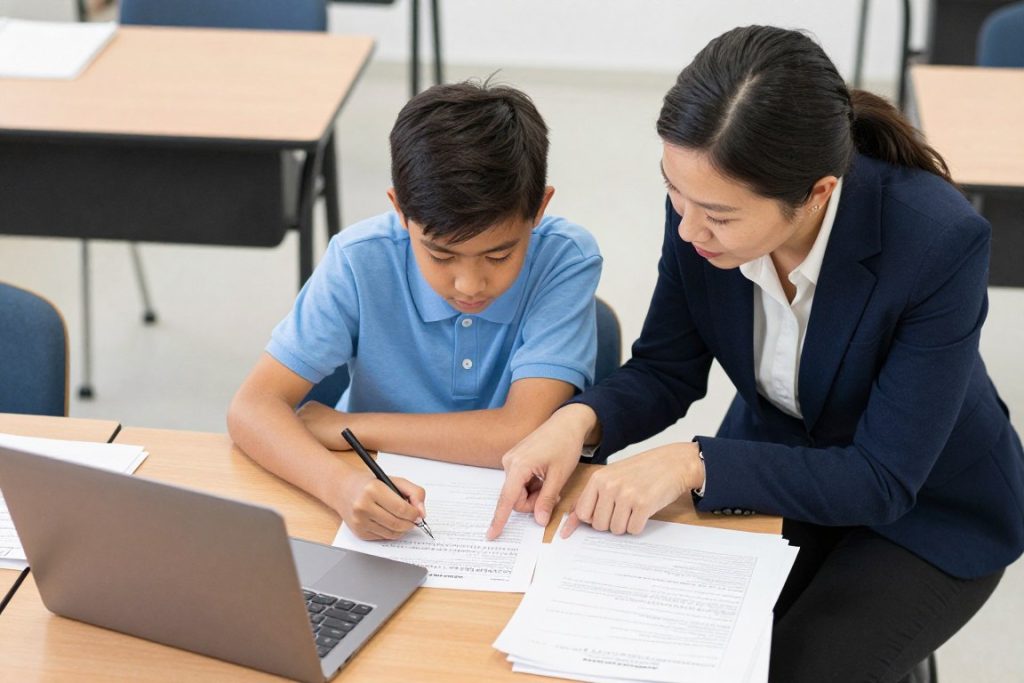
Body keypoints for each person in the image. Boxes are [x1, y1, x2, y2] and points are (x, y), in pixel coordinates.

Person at [486, 25, 1024, 683]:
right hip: (780, 457)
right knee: (682, 644)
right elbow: (666, 366)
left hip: (925, 507)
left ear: (817, 194)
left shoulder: (939, 241)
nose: (687, 229)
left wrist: (692, 459)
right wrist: (575, 423)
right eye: (674, 194)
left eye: (716, 215)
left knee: (798, 667)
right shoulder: (702, 201)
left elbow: (883, 478)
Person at [229, 81, 602, 542]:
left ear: (539, 208)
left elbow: (519, 433)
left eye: (499, 256)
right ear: (400, 211)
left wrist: (348, 425)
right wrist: (340, 485)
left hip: (510, 510)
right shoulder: (358, 259)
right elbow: (251, 408)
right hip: (373, 484)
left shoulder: (565, 259)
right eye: (442, 257)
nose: (469, 285)